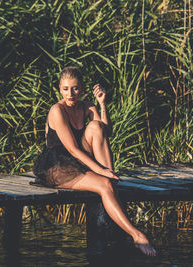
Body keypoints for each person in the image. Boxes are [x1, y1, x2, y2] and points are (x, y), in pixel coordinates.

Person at [33, 66, 156, 256]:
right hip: (57, 166)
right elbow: (72, 149)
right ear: (59, 88)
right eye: (65, 89)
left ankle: (110, 180)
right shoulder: (57, 110)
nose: (70, 93)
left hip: (79, 161)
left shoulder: (87, 106)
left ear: (81, 89)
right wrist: (100, 170)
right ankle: (137, 235)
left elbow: (106, 133)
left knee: (96, 127)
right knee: (104, 184)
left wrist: (102, 105)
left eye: (74, 88)